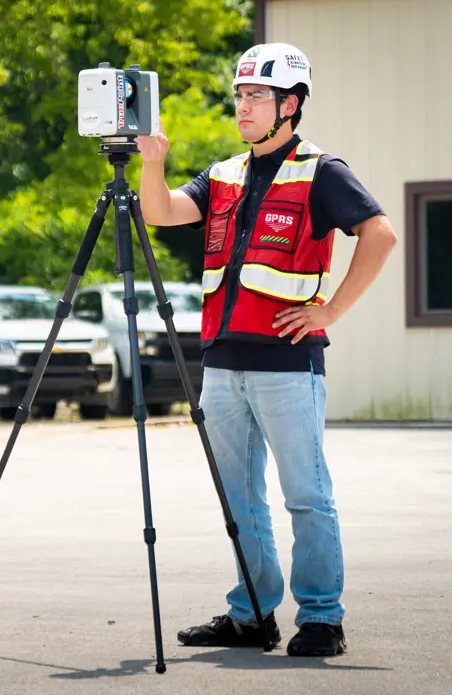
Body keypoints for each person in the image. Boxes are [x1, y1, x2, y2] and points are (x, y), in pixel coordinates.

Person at [137, 43, 397, 656]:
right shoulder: (224, 174)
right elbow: (161, 211)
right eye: (240, 95)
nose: (243, 106)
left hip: (287, 366)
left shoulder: (321, 171)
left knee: (306, 495)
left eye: (256, 96)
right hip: (223, 366)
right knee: (239, 498)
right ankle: (252, 614)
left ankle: (322, 619)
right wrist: (154, 162)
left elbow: (380, 234)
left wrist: (330, 310)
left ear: (291, 104)